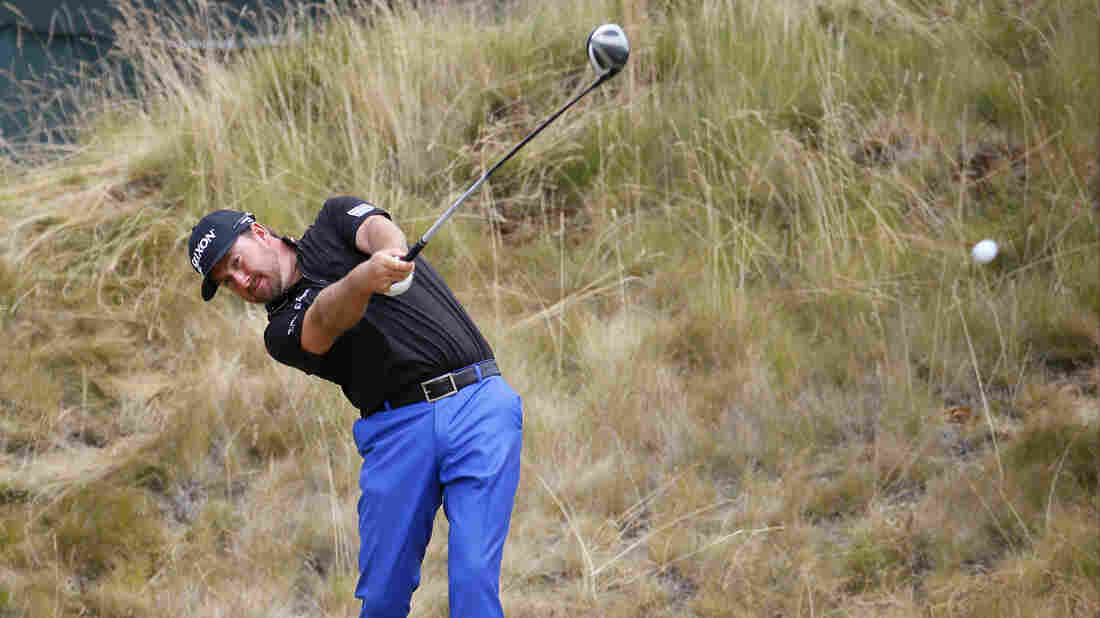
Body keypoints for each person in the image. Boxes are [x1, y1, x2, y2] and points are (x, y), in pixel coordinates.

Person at [186, 197, 523, 617]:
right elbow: (325, 318)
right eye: (227, 282)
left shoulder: (332, 221)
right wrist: (363, 279)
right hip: (397, 434)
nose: (241, 280)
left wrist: (389, 252)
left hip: (479, 405)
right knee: (383, 595)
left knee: (473, 578)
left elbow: (377, 229)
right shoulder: (280, 332)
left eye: (236, 262)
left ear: (258, 233)